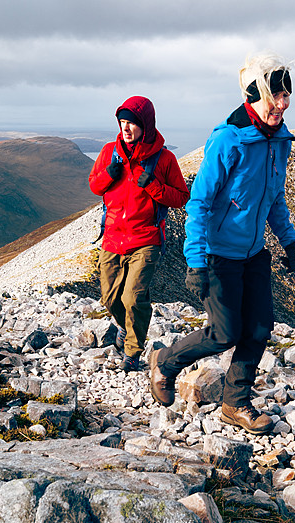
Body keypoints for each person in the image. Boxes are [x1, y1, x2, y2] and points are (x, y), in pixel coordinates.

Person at [149, 53, 295, 435]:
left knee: (259, 328)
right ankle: (165, 362)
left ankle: (235, 403)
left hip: (253, 254)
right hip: (219, 255)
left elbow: (274, 196)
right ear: (254, 95)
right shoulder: (228, 140)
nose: (282, 105)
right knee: (224, 333)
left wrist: (290, 241)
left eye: (287, 95)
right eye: (275, 95)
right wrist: (196, 262)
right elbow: (199, 203)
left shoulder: (277, 140)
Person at [89, 96, 189, 372]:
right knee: (110, 298)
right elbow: (95, 186)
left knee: (133, 296)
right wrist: (109, 174)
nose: (126, 128)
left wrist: (154, 186)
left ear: (146, 125)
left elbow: (181, 197)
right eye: (122, 122)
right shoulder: (110, 152)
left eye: (132, 123)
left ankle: (132, 352)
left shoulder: (164, 159)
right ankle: (124, 326)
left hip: (146, 239)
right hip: (112, 237)